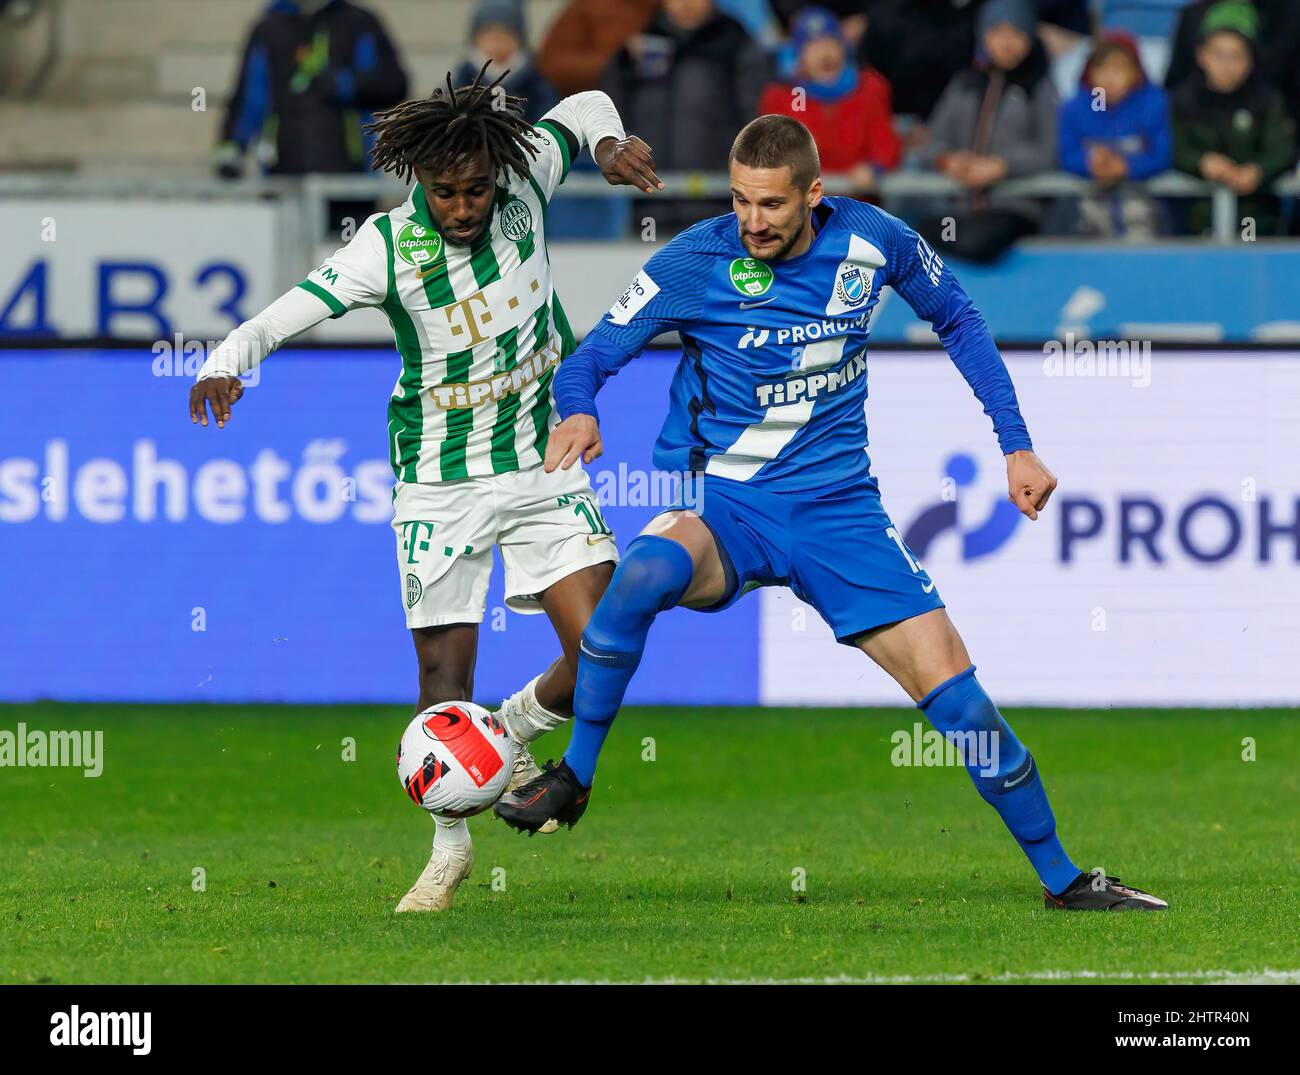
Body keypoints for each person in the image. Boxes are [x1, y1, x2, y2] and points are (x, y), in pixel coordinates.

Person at [494, 114, 1168, 913]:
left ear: (815, 194)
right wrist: (579, 410)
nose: (752, 221)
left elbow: (959, 317)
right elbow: (592, 355)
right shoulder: (692, 261)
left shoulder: (874, 239)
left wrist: (1016, 445)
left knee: (962, 703)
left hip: (839, 514)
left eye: (771, 205)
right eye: (741, 200)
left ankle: (1064, 879)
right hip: (726, 506)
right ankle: (575, 773)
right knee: (640, 574)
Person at [190, 67, 664, 912]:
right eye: (445, 193)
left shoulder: (528, 180)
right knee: (444, 679)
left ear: (495, 175)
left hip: (539, 460)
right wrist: (229, 360)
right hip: (437, 480)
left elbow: (585, 104)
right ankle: (450, 847)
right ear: (420, 184)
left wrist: (606, 141)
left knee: (606, 647)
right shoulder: (386, 247)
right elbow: (287, 311)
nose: (462, 207)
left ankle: (511, 729)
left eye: (475, 189)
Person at [602, 0, 769, 231]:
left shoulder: (736, 42)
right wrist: (622, 60)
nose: (686, 3)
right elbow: (607, 116)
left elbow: (756, 124)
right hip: (648, 206)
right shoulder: (635, 42)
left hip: (717, 204)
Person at [915, 0, 1059, 261]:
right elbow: (929, 144)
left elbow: (1048, 151)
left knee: (978, 242)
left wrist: (1001, 167)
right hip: (958, 207)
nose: (1007, 42)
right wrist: (949, 161)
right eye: (997, 32)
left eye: (1017, 33)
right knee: (916, 234)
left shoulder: (1039, 88)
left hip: (1013, 207)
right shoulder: (964, 85)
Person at [216, 0, 408, 178]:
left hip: (349, 176)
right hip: (283, 175)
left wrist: (345, 84)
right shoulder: (269, 27)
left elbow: (393, 84)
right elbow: (250, 98)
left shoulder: (359, 23)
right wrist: (233, 148)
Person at [1170, 1, 1296, 235]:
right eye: (1218, 54)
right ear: (1201, 55)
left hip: (1256, 220)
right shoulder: (1182, 102)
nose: (1226, 65)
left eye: (1236, 56)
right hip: (1195, 221)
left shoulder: (1267, 102)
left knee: (1251, 260)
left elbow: (1282, 150)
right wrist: (1201, 162)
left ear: (1251, 59)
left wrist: (1258, 170)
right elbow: (1171, 146)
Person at [759, 6, 901, 197]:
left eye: (831, 44)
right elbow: (772, 152)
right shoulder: (781, 97)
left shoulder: (869, 87)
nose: (825, 54)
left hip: (857, 206)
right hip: (803, 208)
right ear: (800, 56)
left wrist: (874, 168)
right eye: (814, 47)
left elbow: (885, 142)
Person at [1058, 31, 1172, 238]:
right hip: (1089, 205)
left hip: (1143, 205)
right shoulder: (1080, 106)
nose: (1110, 78)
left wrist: (1127, 166)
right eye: (1103, 68)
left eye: (1119, 69)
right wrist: (1090, 162)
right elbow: (1066, 152)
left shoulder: (1152, 103)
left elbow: (1162, 154)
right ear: (1090, 73)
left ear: (1136, 73)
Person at [453, 0, 558, 123]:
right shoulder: (465, 77)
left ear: (519, 40)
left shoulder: (533, 81)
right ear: (476, 40)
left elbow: (547, 116)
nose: (497, 45)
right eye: (490, 37)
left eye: (505, 37)